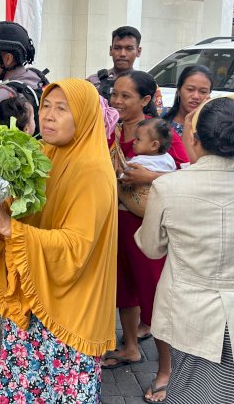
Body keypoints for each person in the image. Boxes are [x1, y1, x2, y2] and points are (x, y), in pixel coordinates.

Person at [0, 79, 118, 403]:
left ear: (85, 117)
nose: (48, 115)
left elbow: (75, 247)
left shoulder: (92, 171)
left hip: (67, 311)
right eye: (46, 106)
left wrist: (6, 226)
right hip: (34, 298)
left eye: (62, 109)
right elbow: (26, 214)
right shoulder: (45, 153)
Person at [135, 97, 234, 404]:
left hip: (187, 316)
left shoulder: (169, 187)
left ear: (194, 139)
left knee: (188, 392)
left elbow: (151, 248)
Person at [102, 71, 189, 404]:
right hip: (116, 226)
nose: (118, 102)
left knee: (155, 298)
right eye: (115, 95)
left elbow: (186, 173)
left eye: (126, 96)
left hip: (148, 228)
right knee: (123, 289)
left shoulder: (158, 133)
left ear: (145, 100)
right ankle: (131, 348)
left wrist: (150, 174)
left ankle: (166, 370)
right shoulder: (109, 129)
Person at [87, 26, 142, 100]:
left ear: (138, 51)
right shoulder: (93, 82)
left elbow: (154, 111)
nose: (122, 54)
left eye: (129, 49)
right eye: (117, 48)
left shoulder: (146, 84)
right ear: (110, 50)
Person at [161, 64, 213, 137]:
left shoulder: (213, 128)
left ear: (209, 95)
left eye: (203, 92)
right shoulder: (159, 116)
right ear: (179, 90)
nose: (196, 96)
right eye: (190, 89)